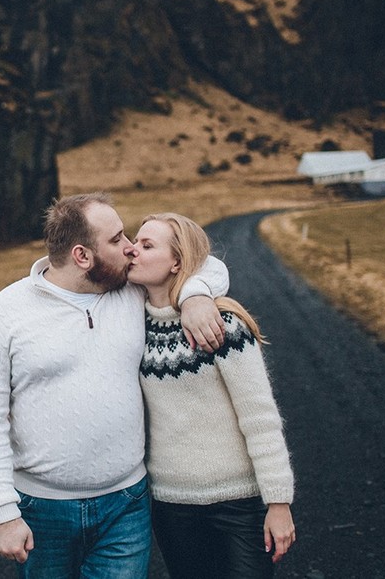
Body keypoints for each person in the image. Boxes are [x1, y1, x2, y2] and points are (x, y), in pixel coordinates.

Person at [0, 193, 230, 577]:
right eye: (117, 239)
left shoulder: (131, 290)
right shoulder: (2, 315)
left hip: (126, 505)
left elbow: (210, 266)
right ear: (82, 257)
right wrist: (1, 512)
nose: (130, 248)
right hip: (42, 510)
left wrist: (195, 297)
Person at [127, 212, 296, 579]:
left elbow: (260, 416)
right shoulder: (130, 323)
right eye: (133, 242)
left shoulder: (222, 323)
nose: (132, 250)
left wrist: (278, 502)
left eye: (146, 245)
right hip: (171, 506)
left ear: (176, 262)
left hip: (238, 502)